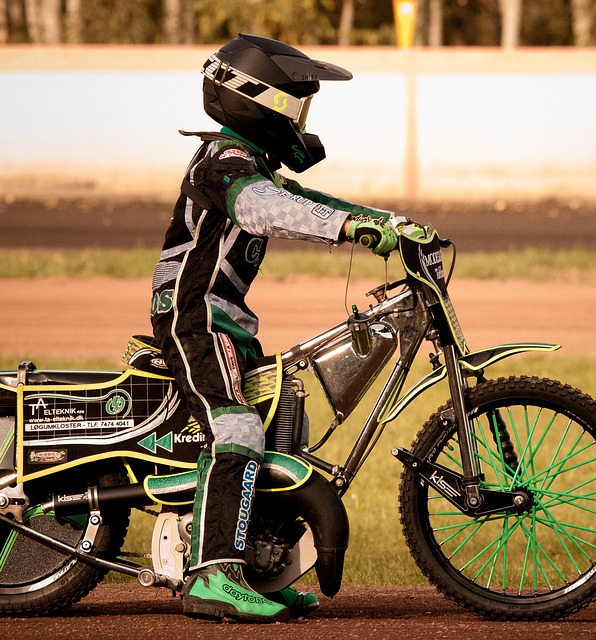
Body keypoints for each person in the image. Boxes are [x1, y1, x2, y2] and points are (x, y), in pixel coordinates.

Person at [149, 33, 399, 623]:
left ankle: (259, 567)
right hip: (193, 321)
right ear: (260, 101)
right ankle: (212, 576)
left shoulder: (249, 164)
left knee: (284, 419)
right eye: (296, 103)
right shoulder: (225, 164)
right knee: (236, 426)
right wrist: (352, 230)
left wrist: (386, 221)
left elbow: (303, 197)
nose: (302, 118)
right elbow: (267, 208)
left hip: (227, 324)